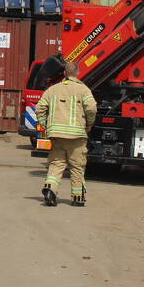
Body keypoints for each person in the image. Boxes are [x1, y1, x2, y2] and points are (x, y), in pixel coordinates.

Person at [36, 61, 97, 207]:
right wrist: (89, 123)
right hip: (76, 137)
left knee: (56, 164)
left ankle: (50, 190)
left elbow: (39, 108)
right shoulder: (83, 90)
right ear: (78, 72)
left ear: (64, 73)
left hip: (57, 136)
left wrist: (45, 125)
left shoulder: (53, 90)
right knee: (77, 166)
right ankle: (78, 198)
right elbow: (92, 108)